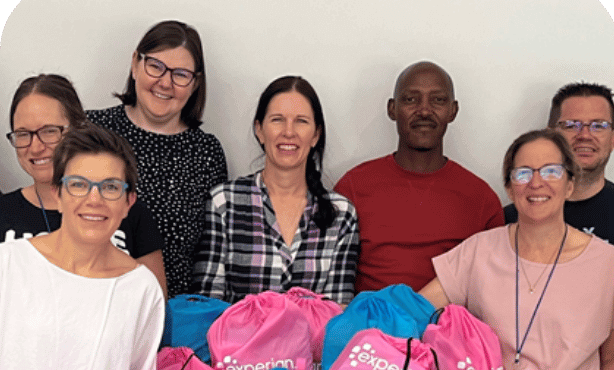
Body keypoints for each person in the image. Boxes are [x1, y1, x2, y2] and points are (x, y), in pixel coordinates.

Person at [420, 129, 614, 370]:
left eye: (551, 171)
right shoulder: (479, 250)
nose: (536, 183)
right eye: (523, 173)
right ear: (510, 187)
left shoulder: (609, 264)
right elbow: (415, 310)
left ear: (570, 184)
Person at [0, 123, 165, 370]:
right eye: (78, 184)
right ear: (58, 194)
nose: (94, 199)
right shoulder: (9, 263)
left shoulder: (141, 288)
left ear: (128, 203)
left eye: (110, 187)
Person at [335, 61, 504, 293]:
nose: (424, 111)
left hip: (448, 315)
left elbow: (493, 289)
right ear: (392, 109)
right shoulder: (353, 187)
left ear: (453, 111)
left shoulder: (481, 199)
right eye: (411, 99)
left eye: (438, 100)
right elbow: (331, 281)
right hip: (367, 314)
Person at [87, 20, 228, 297]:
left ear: (195, 83)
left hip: (174, 311)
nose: (165, 82)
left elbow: (209, 254)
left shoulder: (207, 152)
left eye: (181, 74)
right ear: (135, 64)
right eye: (155, 66)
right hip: (93, 300)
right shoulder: (92, 131)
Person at [191, 75, 359, 305]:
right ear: (259, 130)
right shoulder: (224, 202)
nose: (288, 132)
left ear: (316, 135)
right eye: (277, 120)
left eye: (301, 121)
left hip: (317, 332)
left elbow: (337, 311)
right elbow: (207, 305)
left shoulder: (341, 213)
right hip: (236, 331)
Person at [1, 74, 167, 296]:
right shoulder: (3, 213)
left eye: (49, 131)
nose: (36, 147)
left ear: (78, 128)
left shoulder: (124, 209)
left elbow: (154, 303)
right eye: (23, 134)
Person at [504, 82, 614, 246]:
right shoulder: (508, 220)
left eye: (598, 126)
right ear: (551, 135)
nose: (585, 135)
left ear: (613, 138)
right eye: (571, 125)